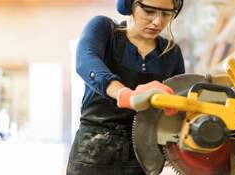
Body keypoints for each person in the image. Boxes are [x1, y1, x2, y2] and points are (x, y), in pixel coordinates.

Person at [66, 0, 185, 174]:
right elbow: (86, 61)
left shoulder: (171, 53)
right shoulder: (104, 30)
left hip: (141, 158)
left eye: (166, 14)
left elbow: (176, 112)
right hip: (92, 154)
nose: (158, 22)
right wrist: (126, 95)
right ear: (128, 5)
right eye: (149, 11)